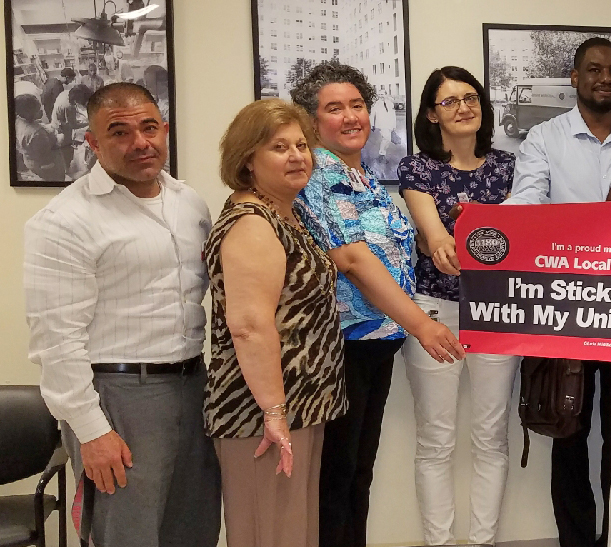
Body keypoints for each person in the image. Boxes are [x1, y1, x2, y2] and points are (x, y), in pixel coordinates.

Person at [25, 82, 220, 547]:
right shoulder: (65, 220)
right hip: (118, 397)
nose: (140, 142)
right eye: (119, 132)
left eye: (149, 127)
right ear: (92, 143)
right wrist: (91, 432)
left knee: (194, 529)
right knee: (127, 535)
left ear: (165, 130)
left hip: (194, 386)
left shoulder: (189, 202)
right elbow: (56, 340)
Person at [503, 36, 611, 547]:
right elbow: (526, 202)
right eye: (594, 70)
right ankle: (576, 539)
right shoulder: (545, 138)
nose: (605, 79)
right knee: (569, 427)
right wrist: (487, 224)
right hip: (567, 306)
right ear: (575, 78)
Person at [290, 61, 465, 547]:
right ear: (311, 121)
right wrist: (423, 325)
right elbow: (353, 260)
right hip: (338, 348)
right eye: (334, 108)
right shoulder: (315, 179)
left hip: (378, 344)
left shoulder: (366, 178)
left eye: (357, 105)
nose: (351, 116)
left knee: (357, 474)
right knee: (334, 479)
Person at [205, 98, 343, 547]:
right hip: (260, 415)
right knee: (269, 533)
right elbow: (249, 326)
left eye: (301, 145)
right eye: (279, 147)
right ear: (248, 159)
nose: (297, 156)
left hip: (299, 405)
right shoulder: (252, 222)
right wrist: (274, 413)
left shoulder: (287, 213)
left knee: (292, 532)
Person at [397, 66, 520, 546]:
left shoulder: (509, 167)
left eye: (471, 98)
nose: (464, 108)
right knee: (436, 440)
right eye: (450, 101)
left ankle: (483, 541)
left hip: (498, 312)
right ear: (432, 114)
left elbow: (526, 233)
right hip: (435, 310)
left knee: (491, 437)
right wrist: (440, 242)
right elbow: (434, 234)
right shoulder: (418, 169)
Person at [14, 93, 66, 181]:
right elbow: (48, 152)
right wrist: (60, 137)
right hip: (47, 166)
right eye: (38, 109)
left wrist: (45, 128)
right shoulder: (37, 134)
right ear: (29, 113)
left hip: (30, 161)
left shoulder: (18, 121)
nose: (41, 111)